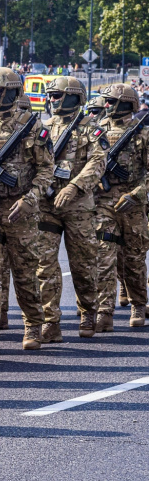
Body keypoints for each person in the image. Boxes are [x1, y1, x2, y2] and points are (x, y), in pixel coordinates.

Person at [0, 67, 54, 353]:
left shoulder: (32, 126)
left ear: (11, 91)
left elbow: (47, 170)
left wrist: (30, 200)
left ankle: (33, 323)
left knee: (24, 272)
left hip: (21, 210)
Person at [35, 76, 106, 342]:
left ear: (75, 97)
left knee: (83, 262)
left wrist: (74, 188)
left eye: (57, 95)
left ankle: (88, 311)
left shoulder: (91, 129)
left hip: (78, 206)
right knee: (45, 264)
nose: (52, 100)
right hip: (47, 205)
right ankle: (50, 320)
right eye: (50, 96)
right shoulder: (43, 127)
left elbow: (98, 163)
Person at [94, 84, 149, 331]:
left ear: (125, 103)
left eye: (111, 101)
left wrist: (136, 195)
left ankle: (138, 304)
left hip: (133, 205)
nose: (106, 106)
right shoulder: (97, 132)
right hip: (104, 202)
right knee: (104, 256)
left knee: (134, 258)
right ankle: (105, 310)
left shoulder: (142, 134)